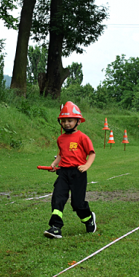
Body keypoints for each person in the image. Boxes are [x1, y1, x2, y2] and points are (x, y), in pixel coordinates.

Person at [43, 101, 97, 239]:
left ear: (78, 121)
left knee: (77, 204)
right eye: (64, 120)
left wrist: (86, 166)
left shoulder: (82, 137)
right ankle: (55, 227)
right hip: (63, 173)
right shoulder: (60, 139)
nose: (66, 123)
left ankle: (89, 219)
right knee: (58, 197)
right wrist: (54, 164)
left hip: (78, 173)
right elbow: (61, 154)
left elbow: (92, 153)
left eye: (70, 120)